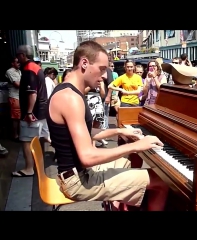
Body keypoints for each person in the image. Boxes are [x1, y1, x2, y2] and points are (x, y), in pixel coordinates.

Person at [47, 41, 168, 210]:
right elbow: (87, 157)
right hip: (78, 181)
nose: (105, 76)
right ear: (84, 63)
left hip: (76, 174)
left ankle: (116, 205)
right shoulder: (70, 98)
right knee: (161, 182)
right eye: (102, 69)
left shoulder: (68, 91)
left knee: (125, 164)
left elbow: (87, 132)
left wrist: (119, 130)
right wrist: (136, 146)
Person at [12, 45, 47, 177]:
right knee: (43, 138)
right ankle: (39, 164)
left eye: (18, 55)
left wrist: (28, 112)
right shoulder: (36, 67)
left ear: (23, 55)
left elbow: (32, 93)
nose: (16, 58)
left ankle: (29, 168)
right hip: (42, 111)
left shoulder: (28, 69)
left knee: (26, 140)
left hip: (34, 113)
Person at [5, 57, 21, 141]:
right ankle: (15, 135)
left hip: (19, 96)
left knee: (19, 117)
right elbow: (17, 84)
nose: (19, 63)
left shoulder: (19, 71)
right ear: (12, 63)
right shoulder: (10, 71)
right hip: (14, 97)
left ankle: (18, 134)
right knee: (15, 118)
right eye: (17, 62)